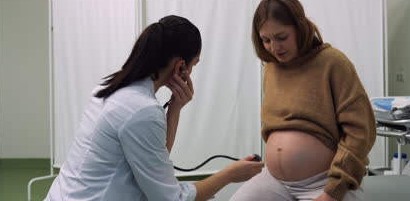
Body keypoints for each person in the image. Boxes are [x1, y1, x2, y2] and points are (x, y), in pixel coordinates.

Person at [44, 15, 264, 201]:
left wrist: (175, 109)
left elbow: (153, 162)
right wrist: (229, 175)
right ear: (181, 66)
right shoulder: (142, 111)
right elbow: (171, 198)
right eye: (193, 64)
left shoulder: (110, 88)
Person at [230, 0, 376, 201]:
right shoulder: (272, 67)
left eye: (282, 37)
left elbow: (360, 131)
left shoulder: (333, 62)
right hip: (274, 181)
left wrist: (333, 190)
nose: (274, 48)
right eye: (266, 40)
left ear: (300, 27)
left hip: (324, 183)